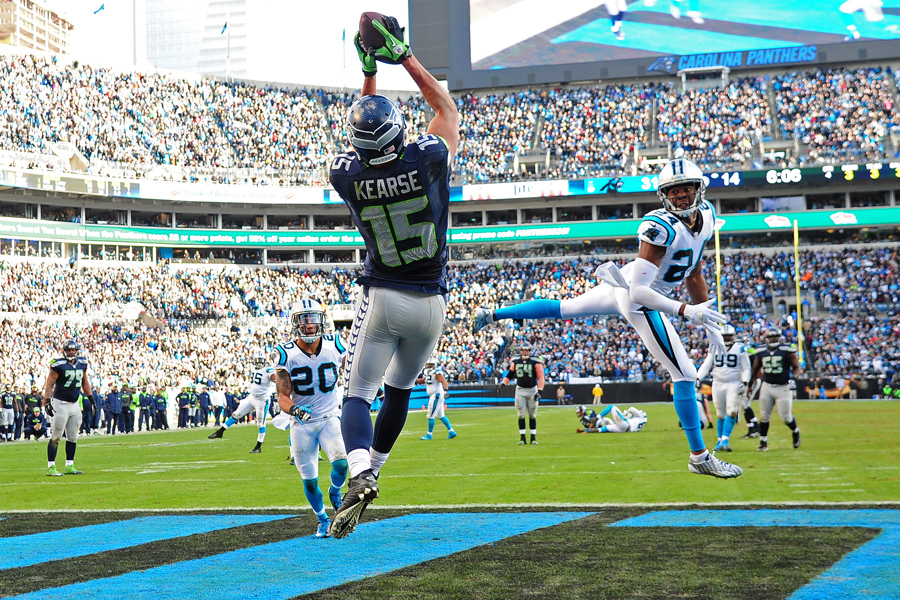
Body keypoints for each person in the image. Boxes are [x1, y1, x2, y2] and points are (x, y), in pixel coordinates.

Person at [472, 158, 742, 479]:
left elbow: (694, 270)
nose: (681, 196)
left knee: (566, 308)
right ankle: (699, 457)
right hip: (634, 293)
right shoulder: (659, 226)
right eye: (673, 191)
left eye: (686, 188)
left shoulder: (707, 217)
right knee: (684, 374)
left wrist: (707, 316)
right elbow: (639, 293)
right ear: (663, 195)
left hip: (627, 282)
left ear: (699, 189)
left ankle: (492, 314)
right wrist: (685, 310)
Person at [327, 15, 459, 540]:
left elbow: (361, 138)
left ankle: (360, 472)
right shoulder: (428, 158)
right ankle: (374, 470)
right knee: (400, 390)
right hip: (433, 304)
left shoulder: (347, 174)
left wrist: (367, 72)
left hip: (383, 294)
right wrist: (402, 54)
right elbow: (445, 109)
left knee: (355, 394)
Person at [271, 299, 350, 539]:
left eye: (313, 318)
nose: (309, 325)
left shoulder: (336, 344)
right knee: (309, 481)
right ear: (295, 323)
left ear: (321, 321)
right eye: (303, 320)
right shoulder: (285, 353)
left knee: (341, 464)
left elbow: (352, 369)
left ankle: (335, 492)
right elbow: (282, 396)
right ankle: (322, 519)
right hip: (301, 424)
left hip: (329, 416)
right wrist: (295, 410)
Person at [696, 324, 750, 452]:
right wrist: (698, 377)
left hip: (734, 382)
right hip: (718, 383)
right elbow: (707, 363)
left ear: (733, 336)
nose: (726, 339)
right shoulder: (714, 346)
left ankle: (725, 440)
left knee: (731, 411)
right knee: (720, 414)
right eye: (724, 336)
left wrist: (745, 381)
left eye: (728, 336)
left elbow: (746, 367)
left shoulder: (740, 348)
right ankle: (720, 440)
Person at [208, 352, 275, 453]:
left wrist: (276, 372)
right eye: (257, 360)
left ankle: (258, 447)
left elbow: (274, 377)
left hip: (262, 400)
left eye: (260, 361)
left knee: (261, 424)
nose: (259, 363)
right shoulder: (253, 370)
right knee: (237, 414)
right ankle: (220, 432)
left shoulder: (268, 370)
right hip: (251, 397)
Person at [43, 339, 93, 476]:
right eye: (68, 350)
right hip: (60, 404)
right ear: (64, 351)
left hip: (75, 404)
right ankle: (51, 467)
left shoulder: (82, 363)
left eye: (73, 350)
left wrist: (92, 399)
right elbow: (49, 384)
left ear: (77, 351)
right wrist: (47, 401)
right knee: (56, 436)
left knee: (73, 436)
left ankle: (69, 465)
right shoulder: (58, 364)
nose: (71, 352)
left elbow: (85, 383)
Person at [748, 328, 803, 451]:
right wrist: (749, 386)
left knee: (786, 418)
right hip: (767, 386)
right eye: (771, 337)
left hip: (783, 387)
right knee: (764, 416)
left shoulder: (787, 350)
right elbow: (755, 370)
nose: (773, 339)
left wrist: (794, 378)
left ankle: (795, 431)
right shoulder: (761, 351)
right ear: (767, 338)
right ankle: (763, 442)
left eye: (775, 336)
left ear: (779, 337)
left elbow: (796, 367)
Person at [498, 343, 545, 445]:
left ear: (529, 351)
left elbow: (541, 377)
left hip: (532, 389)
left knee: (532, 415)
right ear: (521, 351)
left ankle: (533, 438)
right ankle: (522, 438)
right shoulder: (516, 361)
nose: (525, 352)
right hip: (520, 390)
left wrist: (539, 391)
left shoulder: (535, 361)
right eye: (523, 350)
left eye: (527, 350)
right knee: (520, 415)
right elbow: (509, 375)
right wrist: (503, 384)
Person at [416, 355, 457, 440]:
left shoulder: (437, 372)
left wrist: (446, 390)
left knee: (430, 415)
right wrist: (414, 380)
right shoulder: (428, 373)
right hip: (434, 395)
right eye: (428, 364)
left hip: (436, 395)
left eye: (431, 364)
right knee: (441, 415)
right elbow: (423, 380)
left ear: (434, 364)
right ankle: (451, 431)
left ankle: (429, 434)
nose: (429, 366)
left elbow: (443, 381)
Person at [578, 405, 647, 433]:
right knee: (606, 428)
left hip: (625, 425)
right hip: (625, 429)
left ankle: (597, 418)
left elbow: (631, 408)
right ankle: (586, 431)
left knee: (612, 407)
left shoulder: (641, 416)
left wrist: (626, 414)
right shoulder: (641, 421)